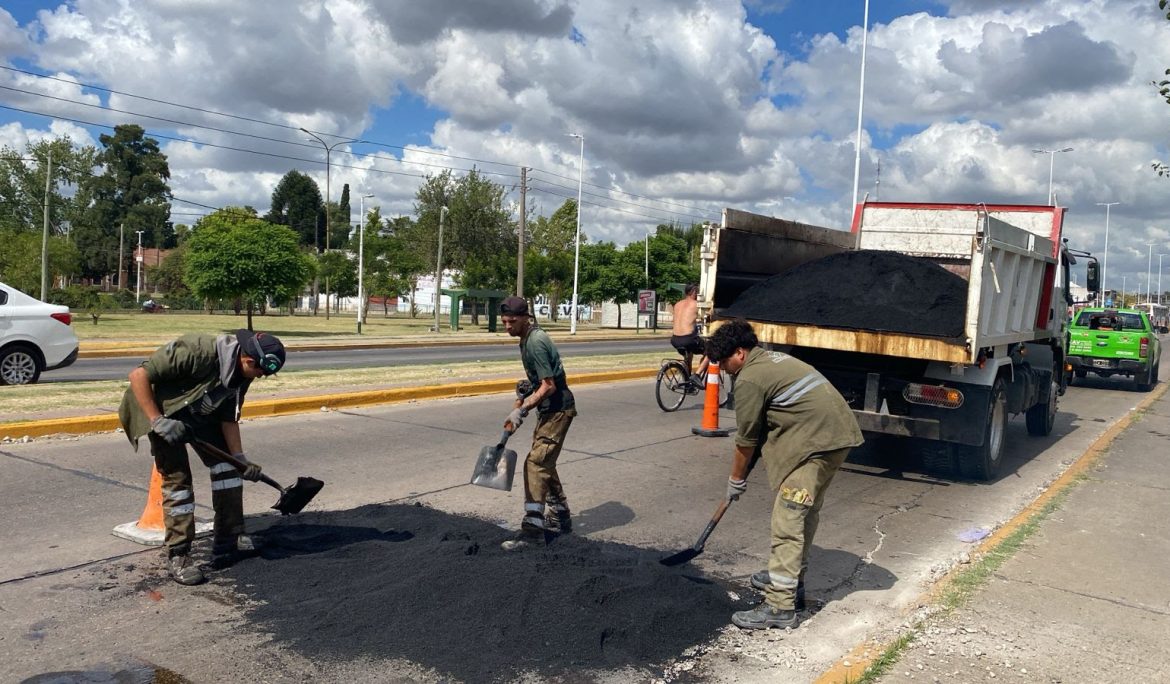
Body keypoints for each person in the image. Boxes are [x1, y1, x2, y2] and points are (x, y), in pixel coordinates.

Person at [705, 319, 863, 630]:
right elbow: (763, 428)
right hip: (832, 437)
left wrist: (735, 480)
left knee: (788, 517)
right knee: (805, 513)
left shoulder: (750, 378)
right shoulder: (772, 359)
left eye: (724, 362)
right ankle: (791, 581)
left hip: (817, 445)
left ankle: (780, 606)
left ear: (739, 352)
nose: (723, 369)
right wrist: (744, 471)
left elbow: (747, 440)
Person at [118, 329, 287, 585]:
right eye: (260, 371)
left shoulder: (244, 372)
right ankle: (179, 554)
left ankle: (229, 539)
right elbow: (138, 375)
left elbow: (229, 416)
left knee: (228, 471)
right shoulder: (197, 350)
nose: (261, 377)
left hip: (201, 415)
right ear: (248, 359)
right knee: (178, 484)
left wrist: (240, 459)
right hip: (160, 410)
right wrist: (158, 421)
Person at [499, 295, 577, 551]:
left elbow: (549, 385)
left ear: (525, 318)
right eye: (504, 322)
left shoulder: (536, 342)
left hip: (558, 410)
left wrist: (522, 410)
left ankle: (533, 530)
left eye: (512, 321)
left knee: (535, 463)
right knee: (545, 462)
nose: (507, 326)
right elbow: (540, 380)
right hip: (548, 410)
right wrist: (525, 392)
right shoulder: (526, 338)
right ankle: (560, 515)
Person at [671, 284, 708, 382]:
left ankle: (687, 383)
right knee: (711, 350)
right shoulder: (696, 304)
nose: (698, 294)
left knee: (689, 356)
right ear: (693, 292)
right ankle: (697, 375)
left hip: (675, 339)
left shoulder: (677, 304)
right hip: (688, 339)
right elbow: (707, 316)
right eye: (697, 292)